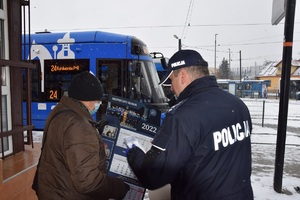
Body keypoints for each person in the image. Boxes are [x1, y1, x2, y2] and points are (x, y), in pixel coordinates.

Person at [126, 49, 253, 200]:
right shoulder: (238, 105)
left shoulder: (182, 116)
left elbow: (153, 175)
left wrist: (133, 152)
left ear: (182, 76)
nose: (171, 88)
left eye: (171, 80)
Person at [36, 71, 129, 200]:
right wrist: (118, 188)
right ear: (87, 99)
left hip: (54, 189)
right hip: (68, 194)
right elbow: (88, 182)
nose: (99, 104)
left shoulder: (61, 112)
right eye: (98, 100)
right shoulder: (79, 125)